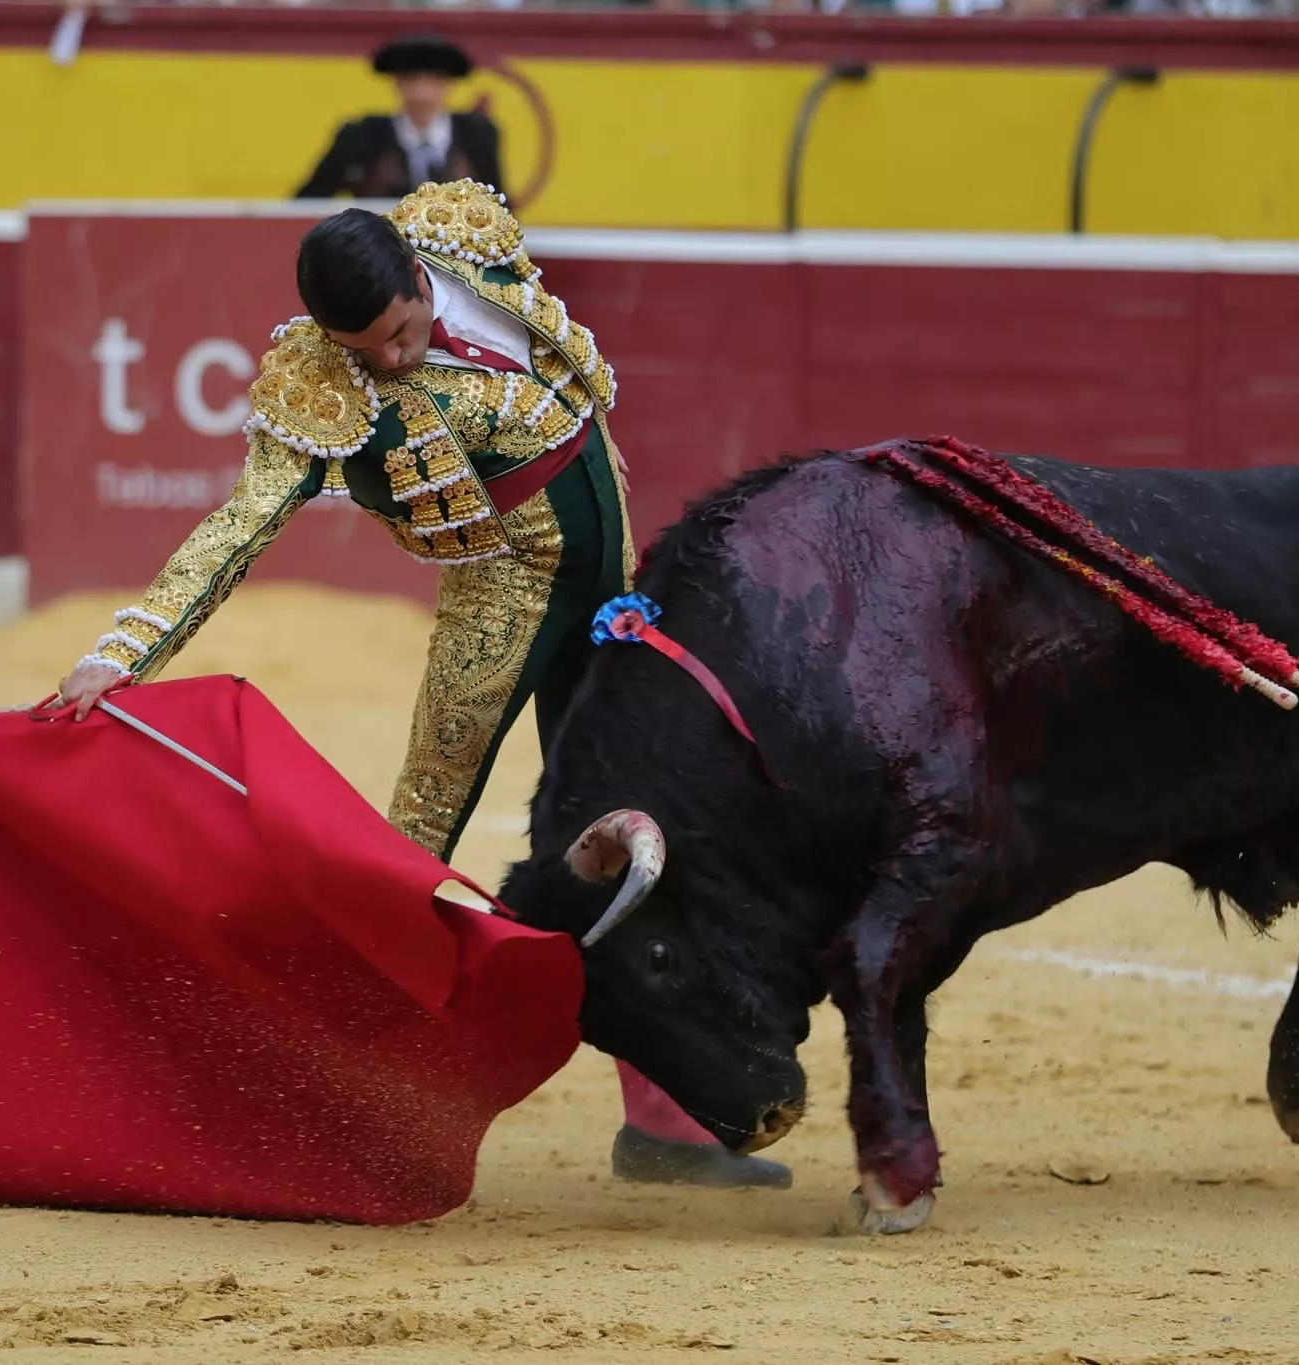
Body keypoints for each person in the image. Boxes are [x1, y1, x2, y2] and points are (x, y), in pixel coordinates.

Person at [47, 180, 790, 1191]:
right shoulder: (318, 385)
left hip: (612, 586)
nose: (389, 361)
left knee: (639, 831)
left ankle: (664, 1123)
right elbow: (238, 527)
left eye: (398, 332)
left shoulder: (467, 241)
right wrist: (125, 652)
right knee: (416, 837)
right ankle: (338, 1104)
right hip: (502, 596)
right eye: (364, 349)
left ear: (416, 273)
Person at [295, 35, 506, 203]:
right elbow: (308, 202)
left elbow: (498, 203)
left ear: (448, 85)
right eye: (411, 81)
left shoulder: (478, 134)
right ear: (397, 84)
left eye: (434, 81)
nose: (422, 94)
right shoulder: (360, 136)